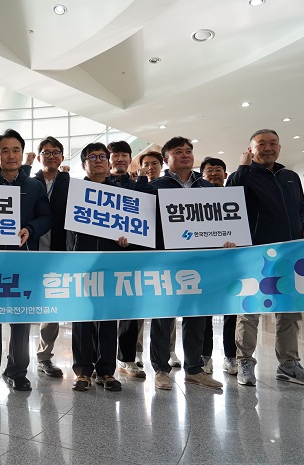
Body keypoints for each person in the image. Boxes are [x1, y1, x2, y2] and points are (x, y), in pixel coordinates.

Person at [227, 129, 304, 387]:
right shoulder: (243, 175)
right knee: (249, 310)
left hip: (290, 254)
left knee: (289, 311)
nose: (268, 147)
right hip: (254, 254)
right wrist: (243, 167)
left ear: (279, 147)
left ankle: (289, 365)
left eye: (273, 143)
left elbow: (300, 210)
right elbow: (230, 198)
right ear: (251, 149)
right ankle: (245, 361)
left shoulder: (290, 177)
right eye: (261, 144)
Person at [0, 129, 52, 391]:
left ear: (22, 153)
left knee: (21, 318)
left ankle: (17, 371)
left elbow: (46, 218)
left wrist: (30, 228)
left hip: (23, 260)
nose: (10, 155)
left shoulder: (34, 186)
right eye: (5, 151)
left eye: (15, 150)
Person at [69, 142, 147, 392]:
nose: (98, 161)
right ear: (84, 163)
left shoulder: (122, 194)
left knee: (108, 318)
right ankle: (82, 371)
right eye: (92, 157)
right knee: (82, 318)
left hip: (112, 263)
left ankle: (106, 371)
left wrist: (127, 240)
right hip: (82, 262)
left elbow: (135, 227)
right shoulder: (75, 192)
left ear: (108, 161)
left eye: (102, 156)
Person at [150, 136, 224, 391]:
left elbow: (220, 224)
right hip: (166, 261)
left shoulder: (207, 188)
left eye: (188, 151)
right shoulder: (154, 188)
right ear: (166, 159)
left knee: (197, 316)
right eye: (178, 151)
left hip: (200, 262)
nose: (185, 155)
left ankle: (194, 369)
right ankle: (161, 369)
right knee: (163, 317)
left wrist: (227, 239)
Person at [107, 141, 147, 379]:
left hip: (132, 255)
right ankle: (101, 360)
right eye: (115, 155)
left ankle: (127, 358)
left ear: (130, 158)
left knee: (130, 309)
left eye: (124, 154)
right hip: (105, 255)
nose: (120, 158)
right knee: (103, 310)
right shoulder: (98, 185)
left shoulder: (138, 186)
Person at [32, 136, 68, 378]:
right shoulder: (28, 182)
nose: (51, 156)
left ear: (62, 157)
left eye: (56, 152)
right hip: (30, 251)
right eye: (46, 152)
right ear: (39, 157)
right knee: (23, 303)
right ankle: (15, 358)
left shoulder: (71, 185)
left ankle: (44, 357)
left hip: (59, 251)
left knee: (51, 306)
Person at [199, 156, 233, 375]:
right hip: (205, 261)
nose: (213, 173)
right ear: (202, 176)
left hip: (231, 260)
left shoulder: (235, 198)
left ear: (225, 175)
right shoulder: (195, 199)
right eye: (209, 170)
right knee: (205, 311)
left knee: (232, 310)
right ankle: (205, 356)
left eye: (218, 169)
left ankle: (231, 356)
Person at [133, 150, 164, 367]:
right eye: (146, 164)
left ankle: (168, 351)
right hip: (141, 254)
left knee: (164, 306)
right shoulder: (137, 186)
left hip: (162, 254)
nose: (150, 168)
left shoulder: (166, 188)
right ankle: (136, 350)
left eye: (154, 164)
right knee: (138, 305)